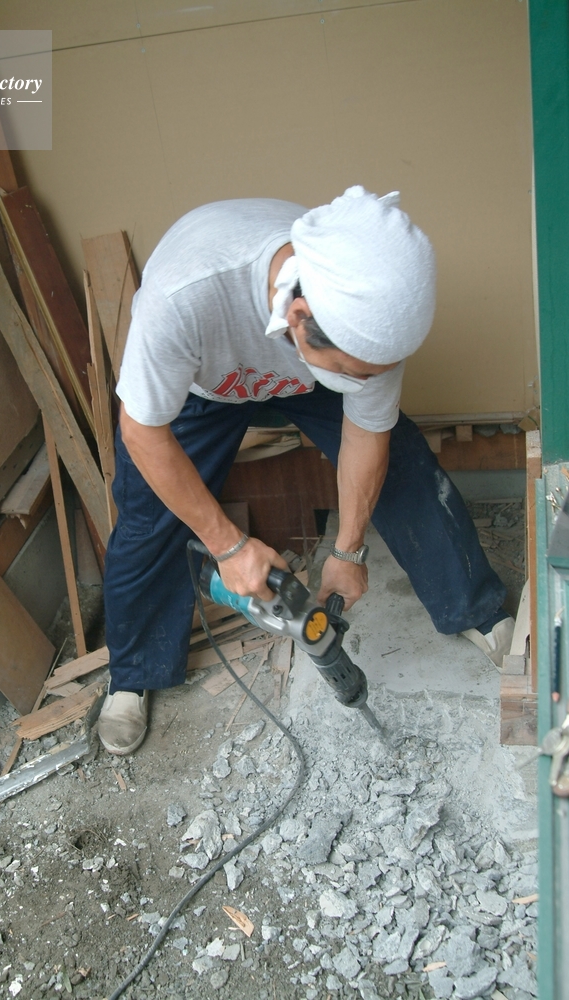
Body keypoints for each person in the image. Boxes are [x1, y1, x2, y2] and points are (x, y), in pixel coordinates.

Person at [97, 186, 513, 756]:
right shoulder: (183, 297)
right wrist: (228, 546)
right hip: (204, 379)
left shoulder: (372, 316)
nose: (368, 381)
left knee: (404, 467)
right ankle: (133, 673)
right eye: (355, 373)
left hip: (309, 371)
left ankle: (476, 609)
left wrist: (349, 550)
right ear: (298, 317)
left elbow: (367, 428)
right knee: (149, 515)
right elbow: (142, 432)